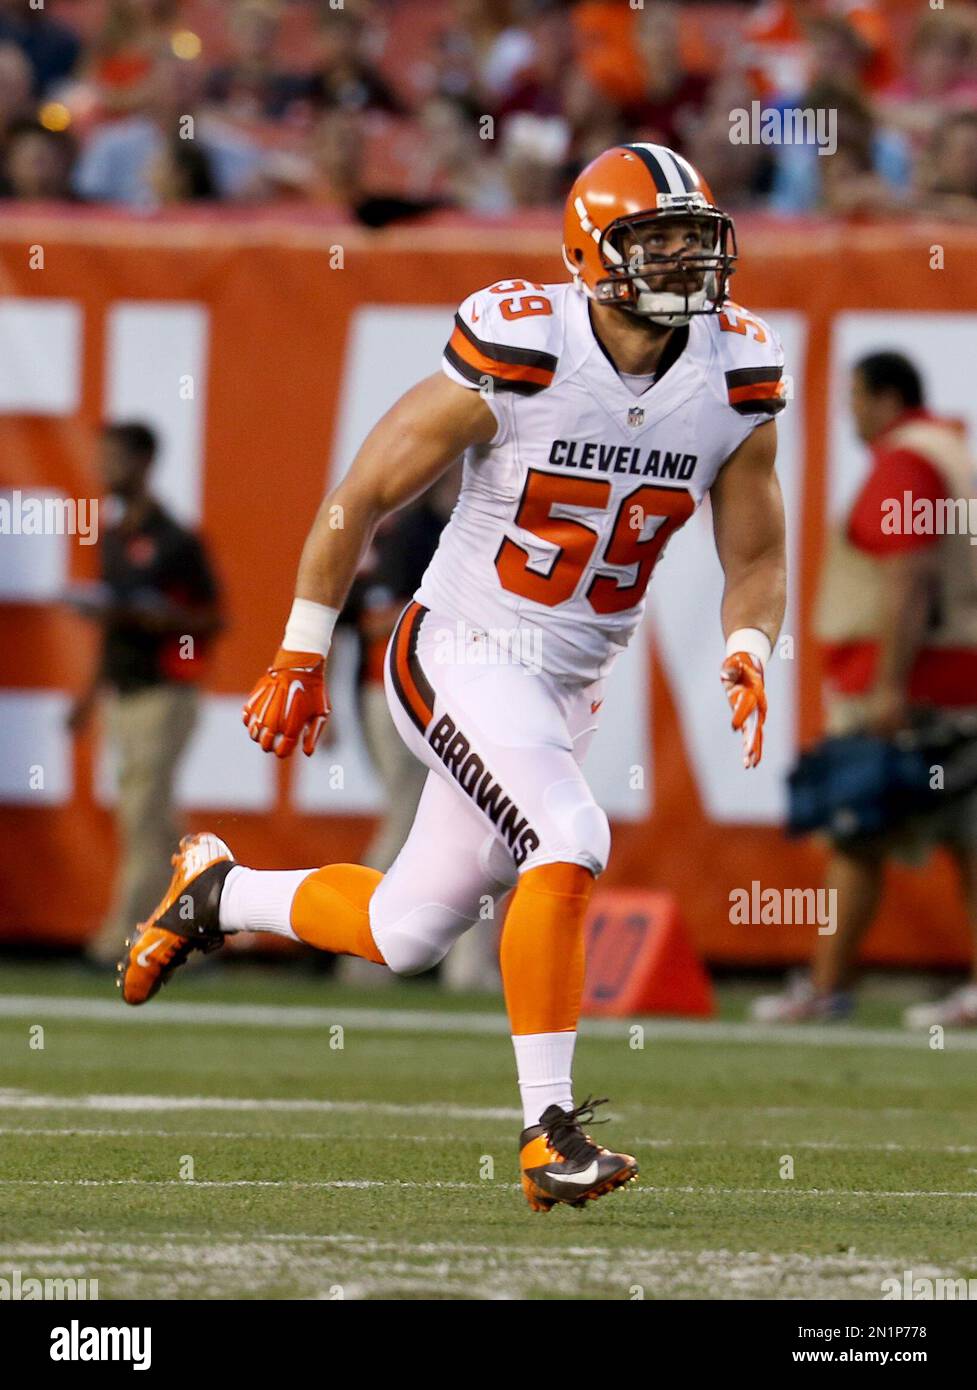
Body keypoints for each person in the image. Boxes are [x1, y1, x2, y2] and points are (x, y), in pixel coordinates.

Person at [117, 143, 788, 1213]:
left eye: (693, 238)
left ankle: (218, 890)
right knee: (567, 837)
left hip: (565, 683)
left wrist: (747, 647)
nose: (682, 261)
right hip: (460, 647)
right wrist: (299, 646)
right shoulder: (526, 343)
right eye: (655, 239)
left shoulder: (733, 372)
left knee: (407, 932)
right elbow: (363, 490)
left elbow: (754, 555)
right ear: (591, 252)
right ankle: (546, 1129)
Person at [753, 353, 977, 1027]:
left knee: (855, 834)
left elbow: (907, 575)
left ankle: (826, 987)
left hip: (913, 687)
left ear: (883, 398)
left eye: (854, 397)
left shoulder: (904, 462)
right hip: (954, 676)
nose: (848, 412)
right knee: (963, 841)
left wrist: (886, 684)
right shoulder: (951, 452)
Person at [67, 423, 223, 968]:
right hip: (125, 695)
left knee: (142, 815)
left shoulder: (175, 539)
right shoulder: (113, 536)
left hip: (165, 692)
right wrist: (89, 696)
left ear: (144, 461)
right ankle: (196, 937)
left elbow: (211, 617)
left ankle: (115, 940)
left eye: (113, 459)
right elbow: (112, 626)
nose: (103, 469)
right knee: (155, 821)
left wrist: (163, 618)